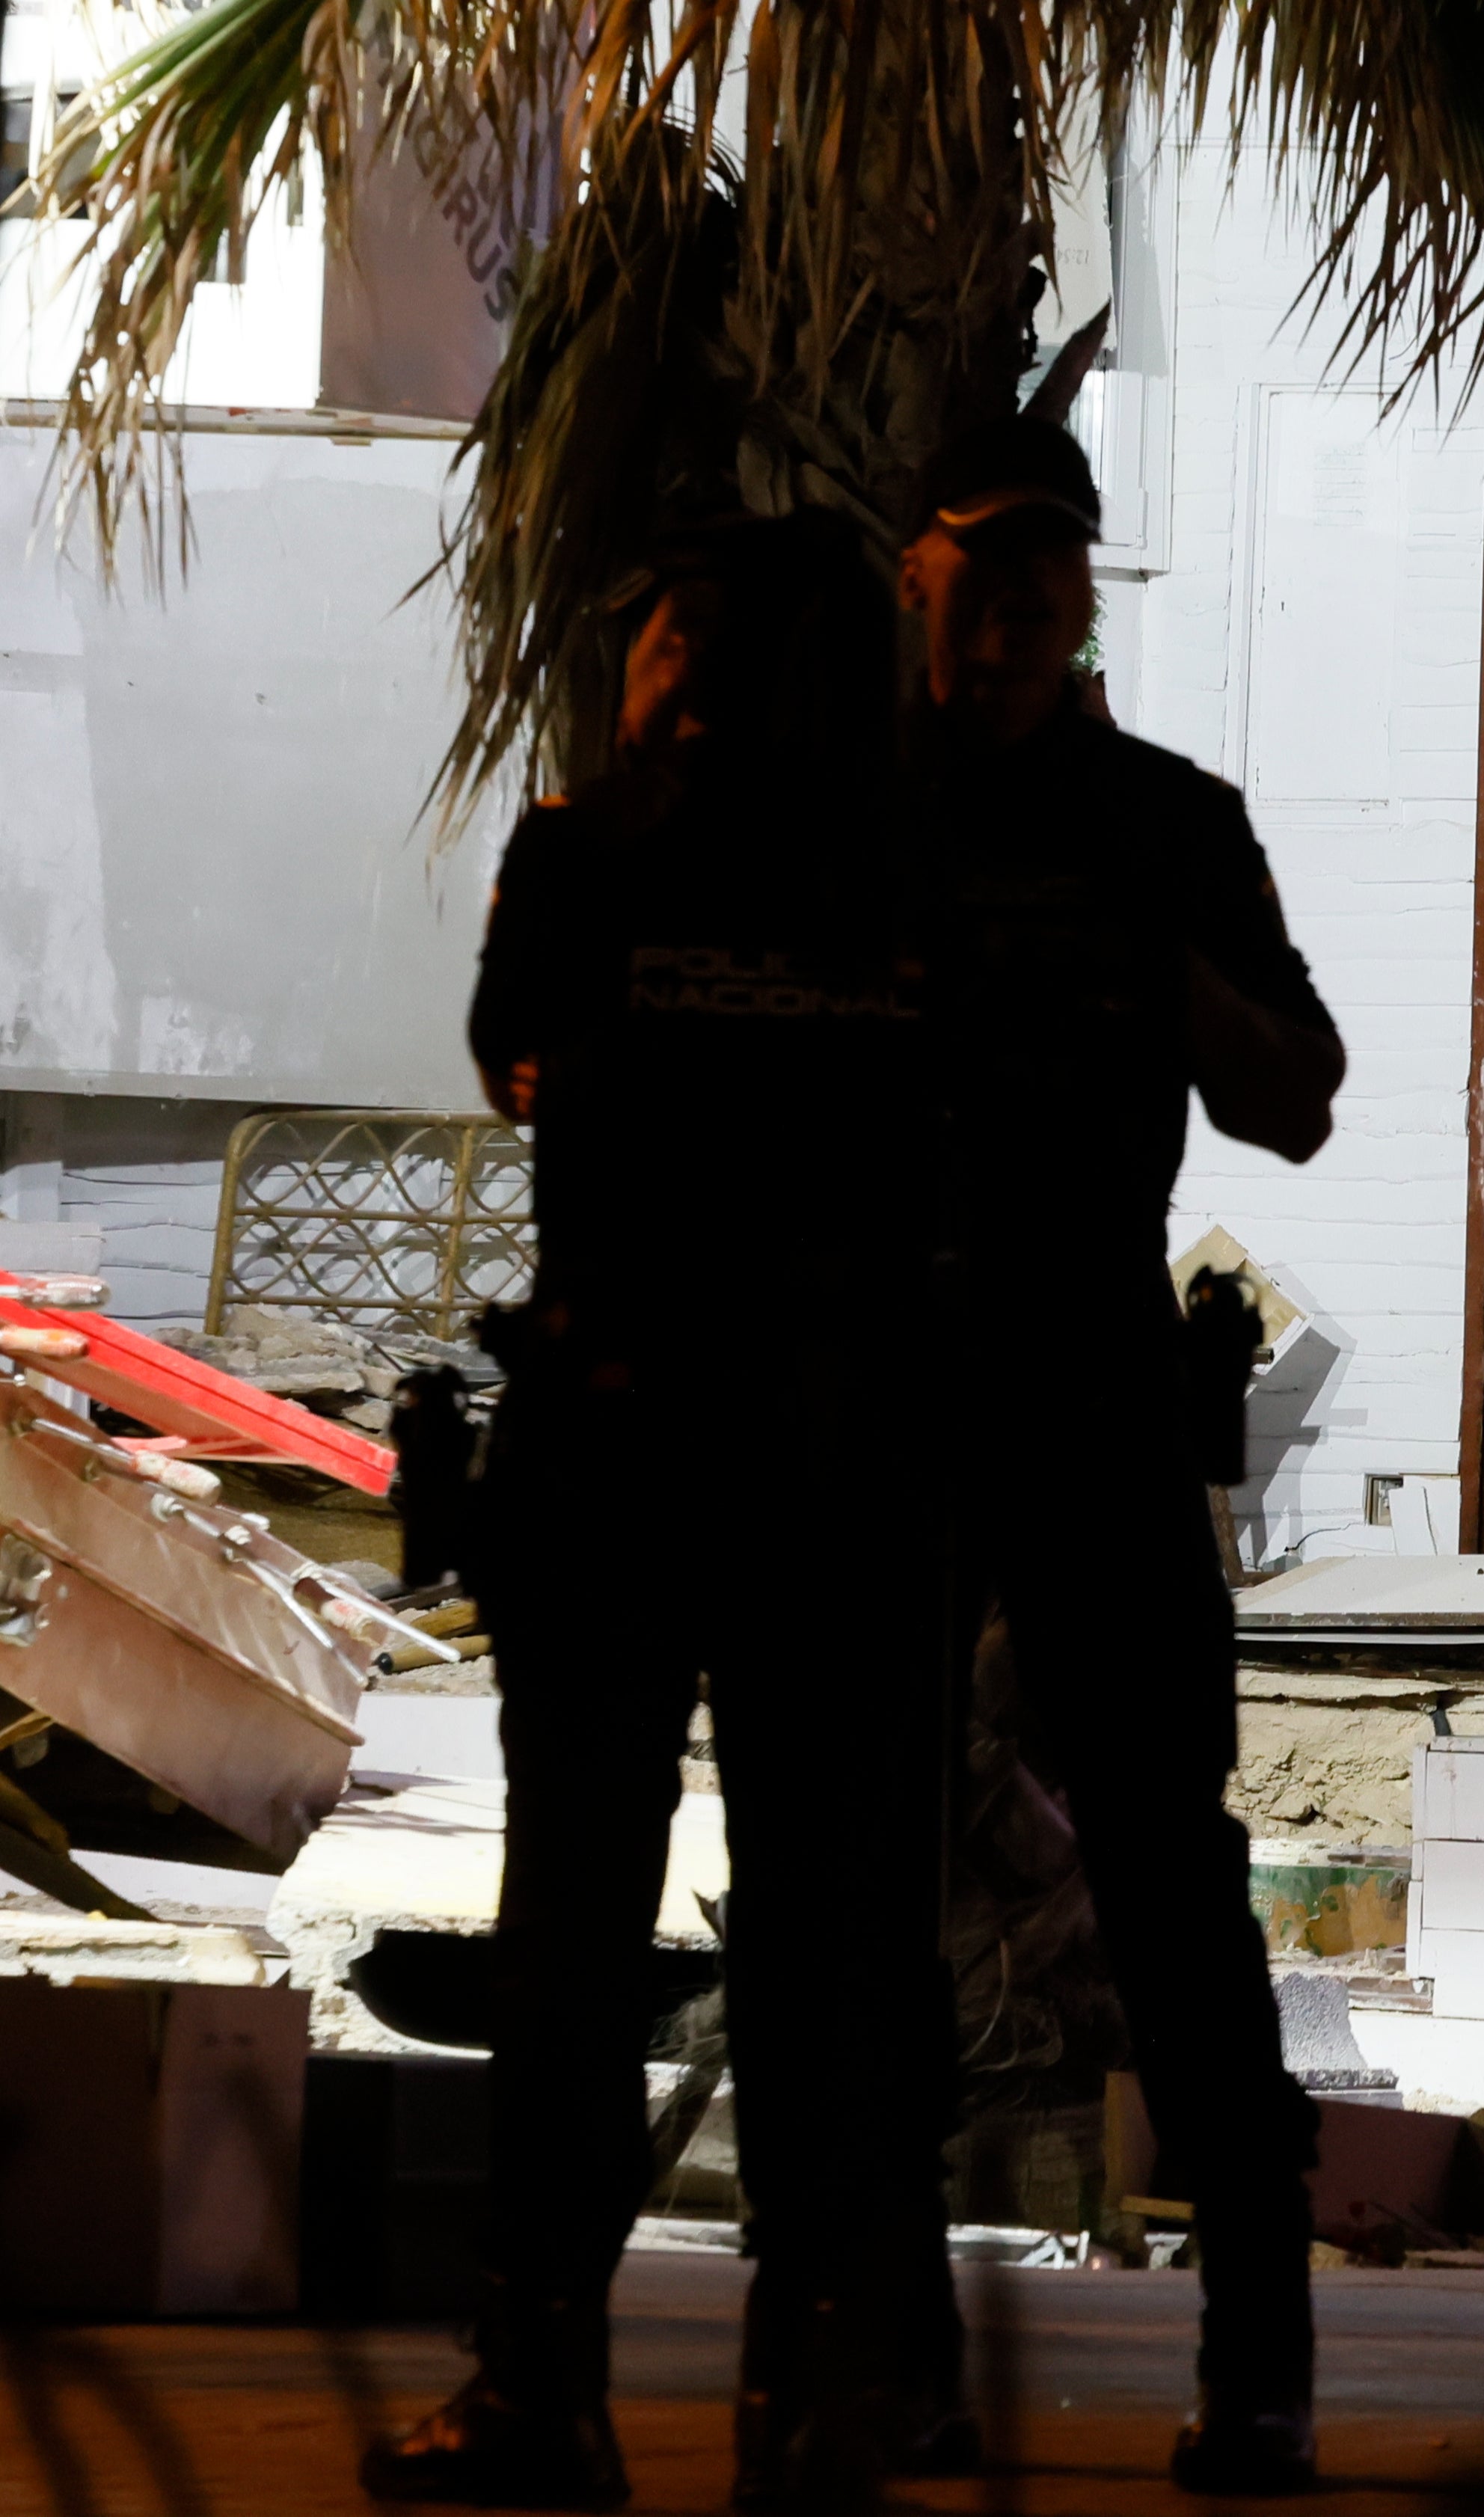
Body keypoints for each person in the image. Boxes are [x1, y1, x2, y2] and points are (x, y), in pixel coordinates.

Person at [366, 513, 966, 2513]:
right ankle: (814, 2399)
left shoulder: (584, 852)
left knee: (579, 1942)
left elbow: (519, 1068)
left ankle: (550, 2388)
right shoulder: (905, 870)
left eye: (661, 650)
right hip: (831, 1463)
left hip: (628, 1449)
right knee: (823, 1942)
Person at [898, 414, 1342, 2495]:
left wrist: (1146, 967)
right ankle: (879, 2348)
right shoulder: (842, 818)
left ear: (1083, 599)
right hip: (882, 1409)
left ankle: (1259, 2363)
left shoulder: (1166, 822)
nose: (1001, 621)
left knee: (1174, 1884)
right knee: (857, 1889)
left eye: (1038, 584)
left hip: (1085, 1396)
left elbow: (1299, 1098)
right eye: (967, 582)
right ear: (911, 589)